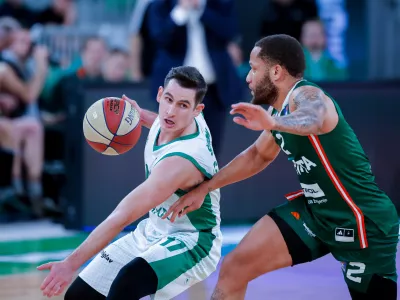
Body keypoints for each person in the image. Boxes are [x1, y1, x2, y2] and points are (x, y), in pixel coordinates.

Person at [163, 34, 399, 300]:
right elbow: (256, 156)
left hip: (363, 219)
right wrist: (205, 188)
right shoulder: (278, 113)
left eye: (254, 69)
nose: (248, 78)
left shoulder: (307, 95)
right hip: (316, 214)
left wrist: (274, 124)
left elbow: (315, 117)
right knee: (235, 267)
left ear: (276, 71)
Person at [37, 66, 222, 300]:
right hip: (153, 230)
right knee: (79, 296)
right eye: (168, 99)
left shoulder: (180, 162)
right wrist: (140, 116)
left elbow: (121, 216)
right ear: (159, 94)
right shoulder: (172, 121)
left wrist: (70, 263)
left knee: (126, 285)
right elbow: (162, 121)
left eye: (183, 105)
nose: (171, 112)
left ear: (198, 110)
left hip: (191, 241)